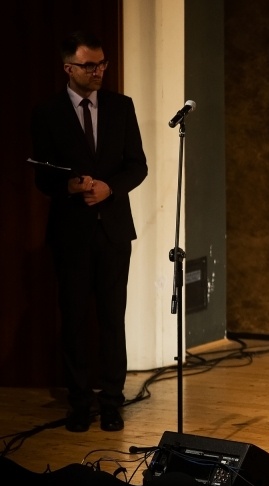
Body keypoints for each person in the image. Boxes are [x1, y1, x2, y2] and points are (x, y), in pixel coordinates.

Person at [31, 31, 148, 432]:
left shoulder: (120, 106)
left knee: (113, 320)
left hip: (113, 230)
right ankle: (80, 402)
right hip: (71, 233)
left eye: (102, 64)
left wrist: (109, 187)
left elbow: (138, 165)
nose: (98, 71)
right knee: (75, 321)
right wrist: (68, 186)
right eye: (89, 65)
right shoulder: (47, 112)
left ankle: (112, 402)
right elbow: (42, 175)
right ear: (69, 68)